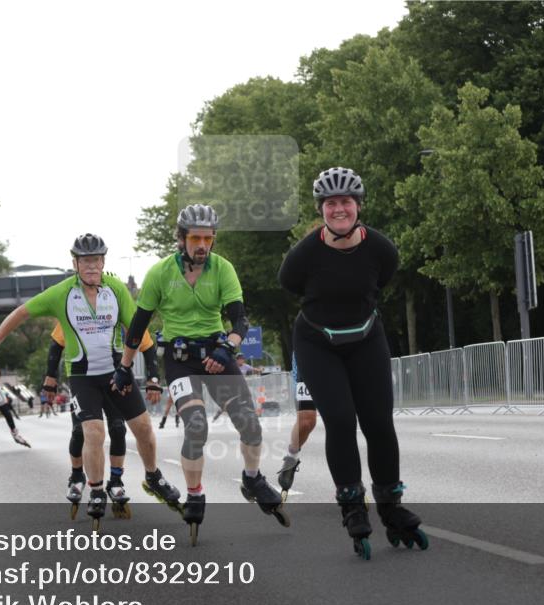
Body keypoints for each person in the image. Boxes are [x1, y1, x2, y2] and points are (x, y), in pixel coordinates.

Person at [0, 234, 180, 526]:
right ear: (75, 264)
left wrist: (153, 375)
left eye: (96, 260)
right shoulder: (62, 293)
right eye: (85, 261)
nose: (92, 266)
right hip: (83, 378)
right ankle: (96, 489)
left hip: (116, 372)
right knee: (94, 433)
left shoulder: (116, 289)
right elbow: (20, 313)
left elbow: (136, 330)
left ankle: (153, 477)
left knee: (144, 428)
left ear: (103, 261)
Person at [278, 166, 428, 559]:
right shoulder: (304, 256)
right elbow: (289, 284)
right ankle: (352, 506)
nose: (339, 209)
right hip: (317, 342)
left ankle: (391, 506)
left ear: (358, 206)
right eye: (331, 203)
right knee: (341, 420)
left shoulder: (381, 249)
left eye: (346, 202)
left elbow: (383, 281)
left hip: (366, 338)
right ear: (322, 209)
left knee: (379, 421)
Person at [118, 204, 289, 544]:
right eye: (195, 238)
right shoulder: (159, 274)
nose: (202, 245)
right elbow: (138, 328)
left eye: (208, 239)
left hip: (217, 353)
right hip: (181, 360)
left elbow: (240, 320)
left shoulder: (222, 268)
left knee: (250, 424)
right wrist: (125, 368)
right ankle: (195, 493)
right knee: (196, 426)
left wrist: (229, 347)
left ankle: (252, 478)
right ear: (181, 239)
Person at [43, 320, 162, 518]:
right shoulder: (74, 307)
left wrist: (153, 377)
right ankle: (77, 475)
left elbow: (145, 341)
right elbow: (56, 345)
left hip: (114, 378)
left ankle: (115, 481)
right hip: (83, 379)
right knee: (81, 431)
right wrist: (50, 378)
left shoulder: (116, 305)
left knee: (118, 428)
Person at [275, 352, 318, 499]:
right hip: (310, 349)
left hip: (345, 345)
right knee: (306, 422)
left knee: (341, 418)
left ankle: (350, 485)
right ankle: (291, 457)